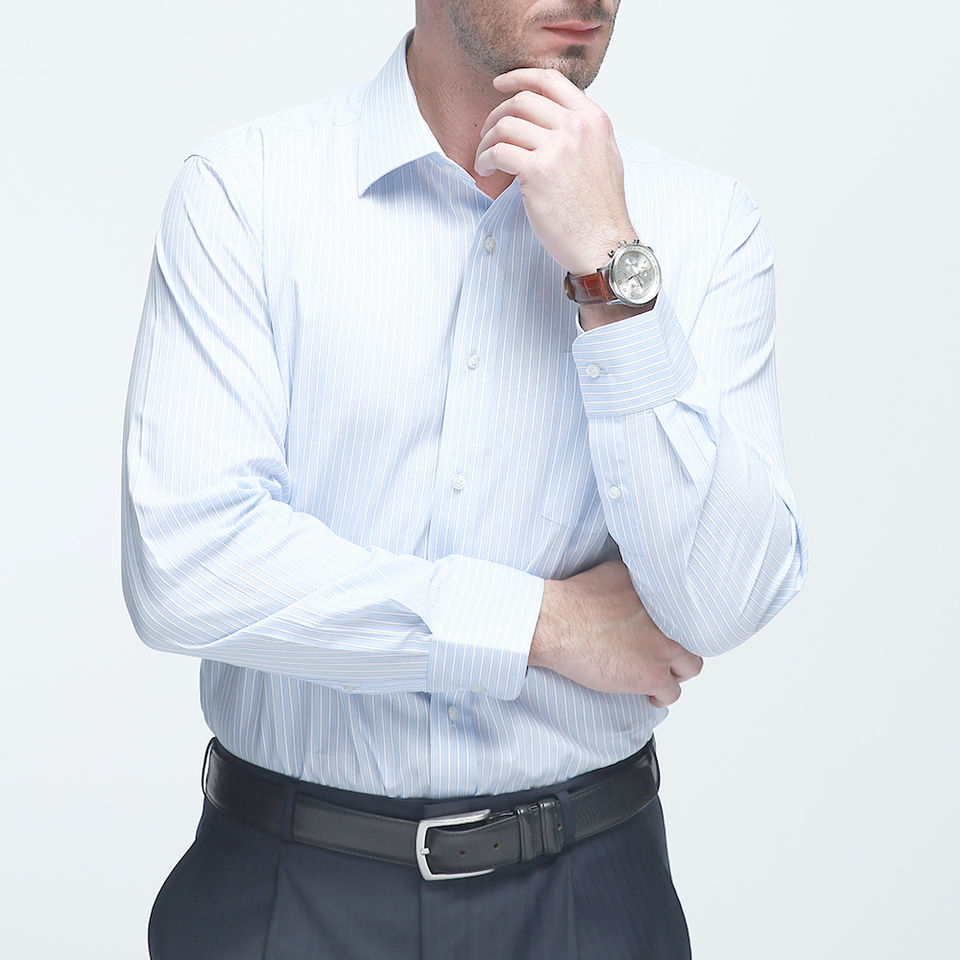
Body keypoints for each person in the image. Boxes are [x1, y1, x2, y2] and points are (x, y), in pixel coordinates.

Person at [121, 1, 808, 957]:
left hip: (589, 894)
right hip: (286, 890)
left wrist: (613, 275)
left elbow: (723, 602)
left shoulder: (702, 226)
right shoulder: (246, 195)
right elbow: (186, 567)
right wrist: (540, 626)